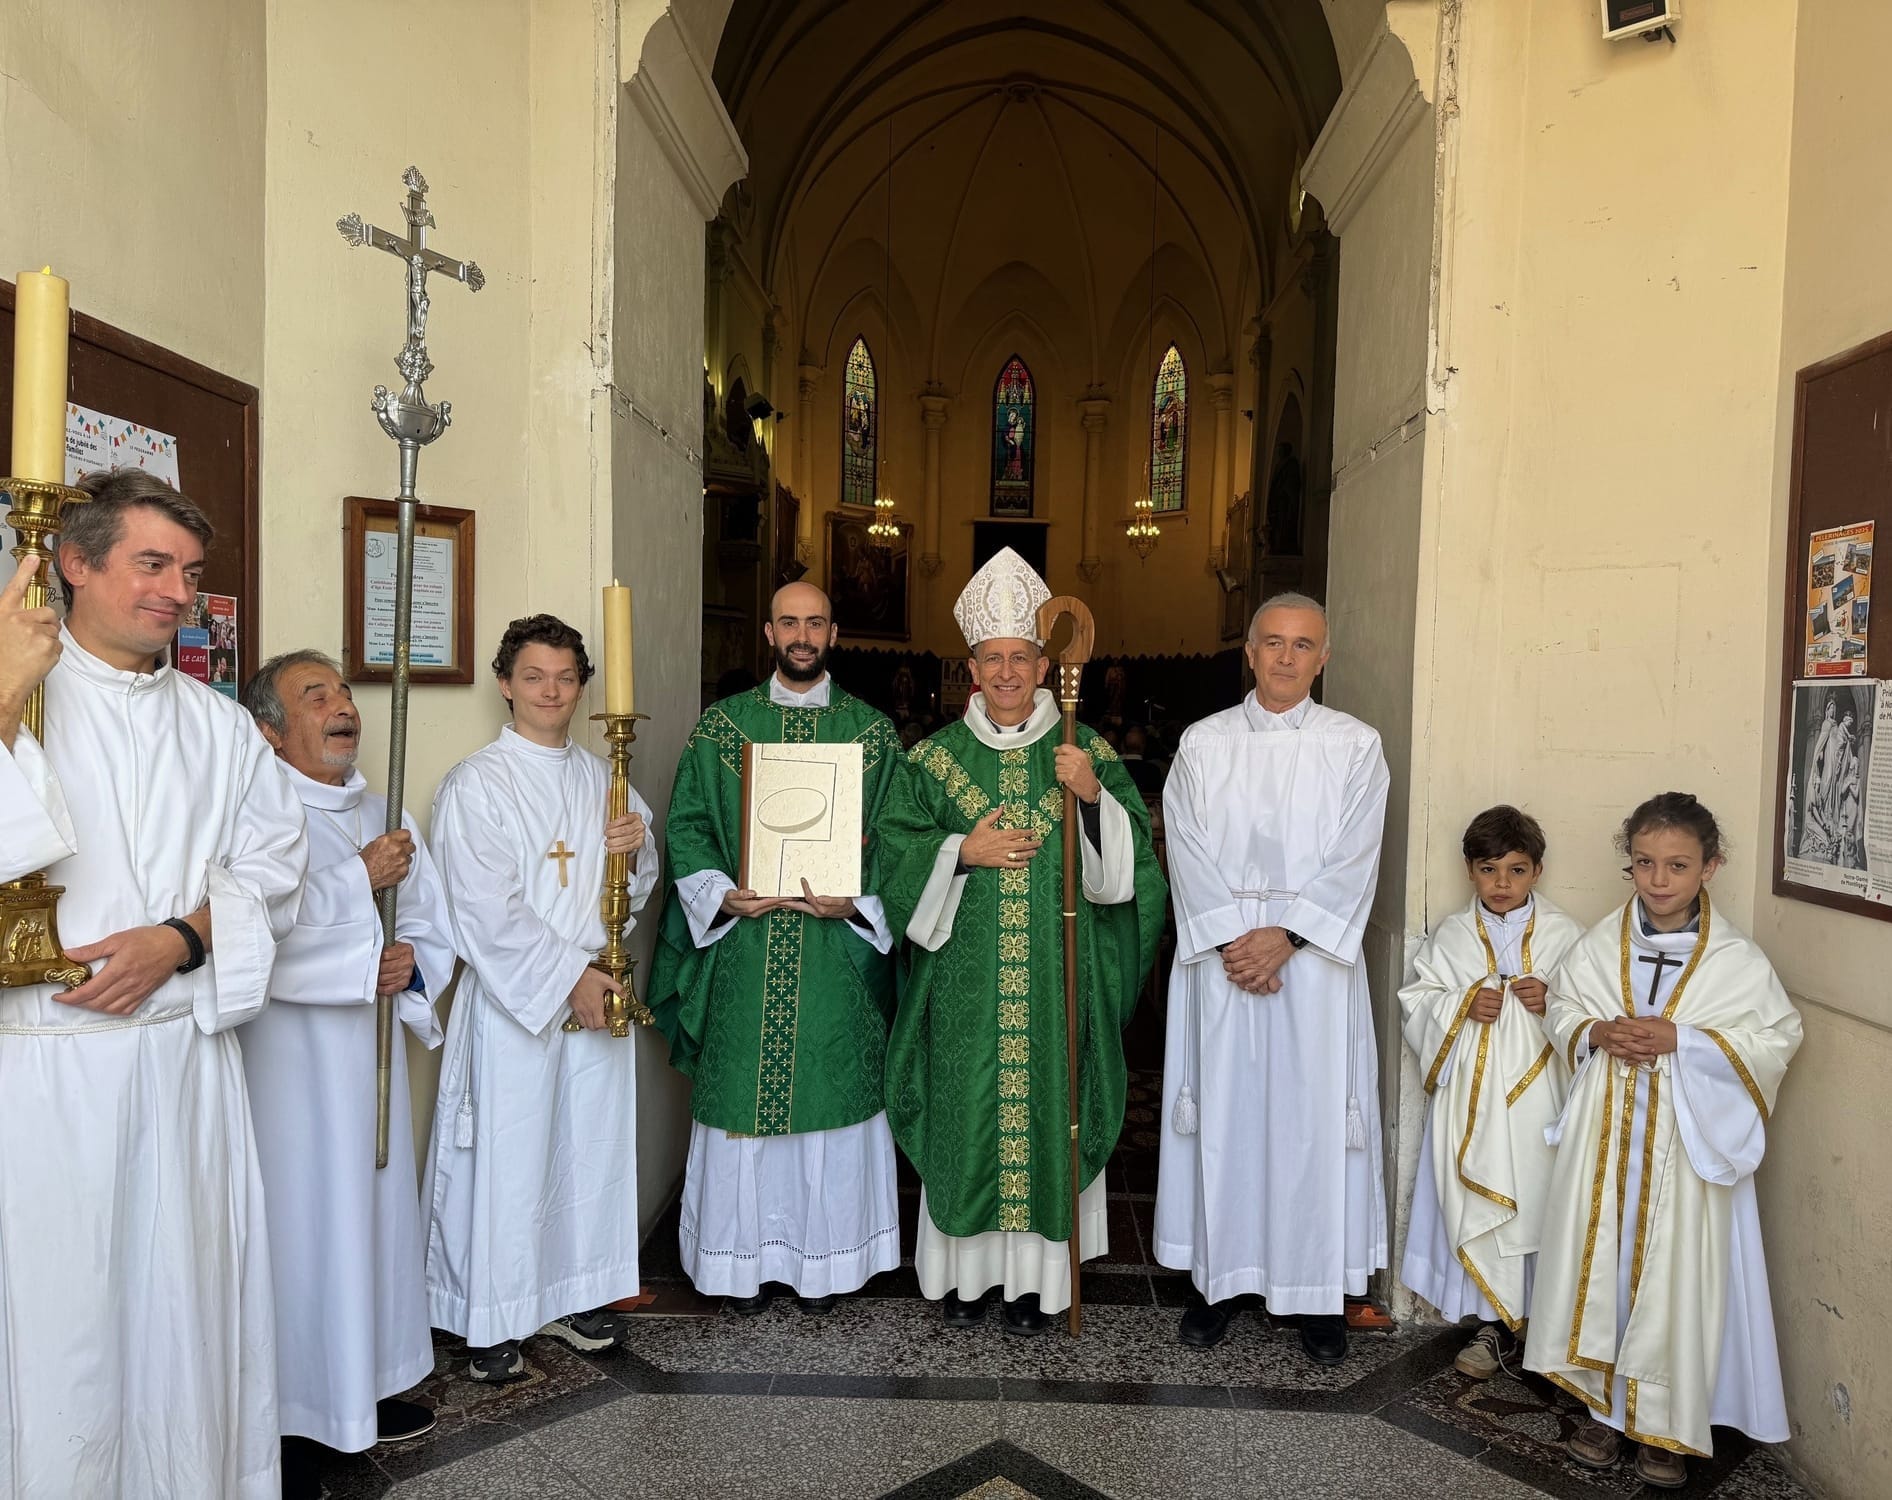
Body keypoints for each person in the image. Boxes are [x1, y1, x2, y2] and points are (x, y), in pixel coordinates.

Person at [0, 470, 307, 1498]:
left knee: (185, 1325)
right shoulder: (19, 696)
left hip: (182, 1080)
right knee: (62, 1338)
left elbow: (278, 875)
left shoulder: (219, 726)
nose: (179, 592)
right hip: (44, 1083)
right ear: (74, 563)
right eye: (152, 564)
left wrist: (178, 940)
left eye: (190, 572)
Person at [876, 548, 1166, 1334]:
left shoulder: (1083, 752)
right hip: (961, 987)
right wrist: (958, 852)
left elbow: (1130, 874)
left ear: (1045, 665)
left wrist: (1095, 797)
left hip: (1053, 986)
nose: (1007, 672)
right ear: (971, 668)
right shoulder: (931, 760)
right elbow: (890, 854)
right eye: (992, 659)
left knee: (1048, 1113)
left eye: (1021, 657)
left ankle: (1041, 1285)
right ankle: (966, 1281)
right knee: (966, 1113)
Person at [1525, 793, 1801, 1489]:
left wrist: (1686, 1040)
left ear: (1711, 866)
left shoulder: (1736, 960)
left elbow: (1776, 1037)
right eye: (1644, 863)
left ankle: (1667, 1426)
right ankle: (1600, 1409)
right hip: (1606, 1144)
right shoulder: (1601, 943)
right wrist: (1596, 1032)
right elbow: (1563, 1006)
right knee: (1606, 1271)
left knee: (1673, 1281)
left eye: (1677, 865)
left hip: (1683, 1149)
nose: (1659, 880)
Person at [649, 583, 905, 1313]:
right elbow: (689, 826)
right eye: (789, 622)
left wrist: (856, 900)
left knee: (833, 1097)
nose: (802, 634)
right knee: (741, 1104)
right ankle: (739, 1267)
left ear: (833, 632)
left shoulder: (872, 735)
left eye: (814, 622)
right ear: (768, 631)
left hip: (837, 959)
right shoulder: (722, 730)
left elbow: (897, 841)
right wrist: (719, 894)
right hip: (746, 952)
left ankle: (827, 1266)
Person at [238, 651, 457, 1493]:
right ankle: (295, 1416)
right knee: (304, 1231)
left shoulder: (383, 807)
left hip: (368, 1061)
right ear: (269, 729)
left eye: (344, 691)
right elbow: (251, 930)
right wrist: (357, 886)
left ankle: (363, 1387)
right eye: (314, 694)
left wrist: (410, 962)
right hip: (291, 1071)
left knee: (367, 1219)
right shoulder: (256, 812)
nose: (342, 706)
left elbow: (431, 923)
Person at [1154, 592, 1389, 1365]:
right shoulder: (1202, 743)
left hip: (1311, 966)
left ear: (1324, 659)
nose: (1287, 658)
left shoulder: (1356, 747)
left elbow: (1357, 856)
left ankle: (1315, 1291)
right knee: (1223, 1116)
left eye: (1303, 645)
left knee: (1309, 1121)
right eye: (1273, 643)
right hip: (1226, 961)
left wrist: (1286, 937)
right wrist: (1234, 938)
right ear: (1247, 653)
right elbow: (1183, 844)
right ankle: (1217, 1283)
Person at [422, 615, 658, 1381]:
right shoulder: (476, 784)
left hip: (595, 986)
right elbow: (483, 911)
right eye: (534, 676)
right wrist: (570, 980)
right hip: (515, 1005)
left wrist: (637, 851)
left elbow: (637, 890)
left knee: (584, 1155)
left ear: (583, 686)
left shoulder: (605, 779)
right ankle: (492, 1316)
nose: (551, 691)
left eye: (564, 677)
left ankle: (572, 1292)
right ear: (505, 683)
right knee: (512, 1160)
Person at [1397, 806, 1583, 1379]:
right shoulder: (1453, 935)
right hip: (1474, 1112)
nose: (1503, 884)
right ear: (1469, 871)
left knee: (1541, 1205)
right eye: (1489, 870)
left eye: (1517, 870)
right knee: (1487, 1210)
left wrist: (1550, 1000)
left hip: (1539, 1106)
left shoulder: (1567, 935)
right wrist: (1461, 1005)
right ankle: (1491, 1328)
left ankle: (1544, 1330)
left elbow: (1592, 1010)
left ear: (1538, 871)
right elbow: (1418, 1000)